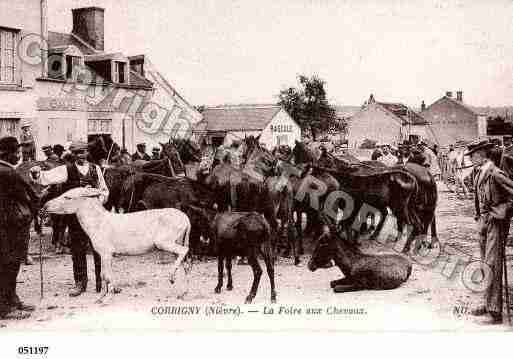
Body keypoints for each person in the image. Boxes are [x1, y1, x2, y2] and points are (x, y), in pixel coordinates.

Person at [30, 141, 109, 297]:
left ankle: (104, 282)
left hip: (95, 218)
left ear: (87, 152)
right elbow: (46, 178)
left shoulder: (96, 169)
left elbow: (105, 190)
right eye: (77, 152)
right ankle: (80, 283)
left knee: (100, 249)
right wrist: (36, 173)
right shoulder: (66, 169)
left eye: (83, 151)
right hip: (75, 218)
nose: (81, 155)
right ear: (73, 154)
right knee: (78, 249)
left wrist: (99, 198)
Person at [468, 140, 513, 324]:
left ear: (481, 155)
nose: (471, 159)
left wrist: (501, 212)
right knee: (484, 264)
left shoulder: (495, 173)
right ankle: (487, 303)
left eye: (473, 155)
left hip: (495, 223)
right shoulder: (479, 172)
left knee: (492, 264)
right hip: (483, 223)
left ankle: (495, 311)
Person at [0, 136, 39, 319]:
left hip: (5, 226)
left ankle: (12, 300)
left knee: (8, 265)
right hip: (10, 227)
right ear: (6, 153)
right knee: (9, 265)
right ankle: (6, 308)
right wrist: (40, 199)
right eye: (16, 152)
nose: (19, 155)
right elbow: (28, 196)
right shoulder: (8, 172)